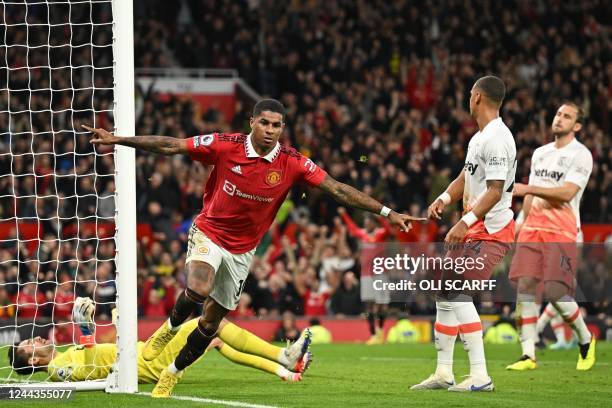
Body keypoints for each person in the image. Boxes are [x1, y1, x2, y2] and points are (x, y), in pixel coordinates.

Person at [84, 98, 423, 397]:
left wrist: (387, 213)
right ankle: (167, 330)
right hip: (209, 232)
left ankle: (170, 375)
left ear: (283, 128)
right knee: (198, 288)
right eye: (264, 123)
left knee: (210, 323)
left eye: (277, 125)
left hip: (243, 251)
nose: (270, 130)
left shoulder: (292, 162)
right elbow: (173, 145)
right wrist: (119, 140)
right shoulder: (225, 145)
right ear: (252, 122)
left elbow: (336, 189)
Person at [412, 76, 516, 392]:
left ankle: (481, 376)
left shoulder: (498, 138)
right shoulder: (479, 138)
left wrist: (464, 221)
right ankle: (444, 373)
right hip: (475, 230)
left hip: (490, 232)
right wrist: (444, 198)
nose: (468, 99)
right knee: (445, 292)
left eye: (470, 94)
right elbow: (465, 176)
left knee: (457, 290)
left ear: (478, 98)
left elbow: (496, 191)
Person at [9, 297, 311, 383]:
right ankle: (282, 359)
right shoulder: (54, 370)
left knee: (215, 337)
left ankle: (284, 369)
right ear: (34, 360)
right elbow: (89, 370)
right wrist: (85, 328)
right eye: (29, 346)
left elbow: (100, 357)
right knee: (214, 324)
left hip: (145, 352)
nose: (34, 338)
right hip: (150, 364)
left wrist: (114, 328)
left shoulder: (64, 353)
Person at [506, 102, 595, 371]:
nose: (559, 119)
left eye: (567, 116)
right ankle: (528, 355)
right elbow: (532, 195)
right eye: (557, 114)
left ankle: (585, 338)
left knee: (556, 291)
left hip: (562, 229)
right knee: (526, 288)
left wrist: (527, 188)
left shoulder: (581, 155)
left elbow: (567, 193)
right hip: (533, 227)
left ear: (577, 126)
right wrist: (519, 223)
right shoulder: (540, 153)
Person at [337, 207, 392, 344]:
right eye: (365, 222)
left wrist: (380, 216)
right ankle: (373, 334)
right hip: (366, 274)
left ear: (374, 223)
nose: (366, 224)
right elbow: (352, 228)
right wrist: (344, 215)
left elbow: (389, 229)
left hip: (380, 273)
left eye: (369, 222)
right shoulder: (362, 234)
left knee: (382, 304)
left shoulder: (380, 233)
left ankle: (380, 330)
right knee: (369, 305)